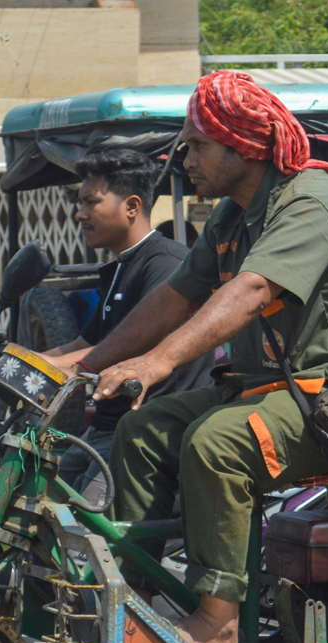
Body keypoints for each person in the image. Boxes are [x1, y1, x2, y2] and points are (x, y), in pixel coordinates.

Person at [32, 71, 328, 643]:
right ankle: (154, 605)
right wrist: (88, 365)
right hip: (269, 388)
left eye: (197, 146)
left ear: (243, 146)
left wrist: (160, 362)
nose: (184, 161)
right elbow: (176, 296)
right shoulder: (233, 213)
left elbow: (250, 291)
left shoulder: (309, 201)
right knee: (143, 428)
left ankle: (217, 624)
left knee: (218, 442)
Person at [40, 149, 211, 507]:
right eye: (79, 201)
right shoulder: (121, 267)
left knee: (85, 543)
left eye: (91, 202)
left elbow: (125, 350)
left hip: (141, 431)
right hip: (103, 427)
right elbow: (84, 343)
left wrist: (59, 367)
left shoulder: (165, 265)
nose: (79, 213)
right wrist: (18, 357)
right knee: (41, 516)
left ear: (131, 206)